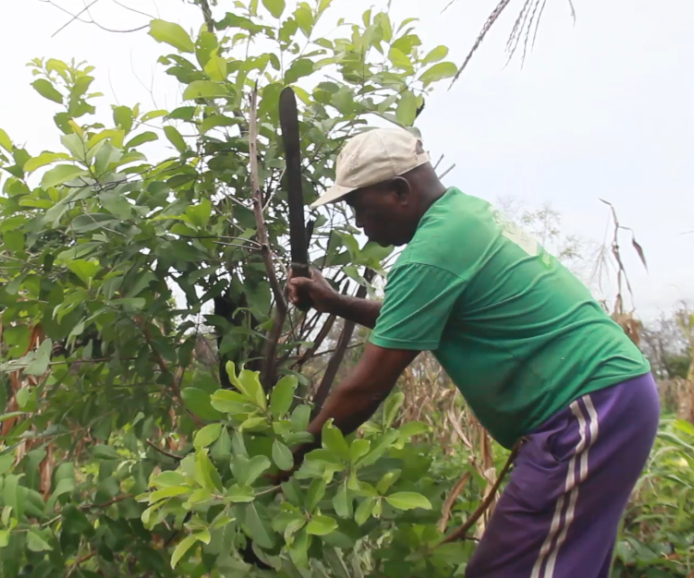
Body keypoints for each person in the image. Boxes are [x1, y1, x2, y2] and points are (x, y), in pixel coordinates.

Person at [283, 127, 660, 578]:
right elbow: (413, 315)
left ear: (399, 191)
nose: (360, 223)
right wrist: (336, 302)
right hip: (606, 402)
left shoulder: (432, 252)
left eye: (359, 207)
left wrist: (287, 462)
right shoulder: (464, 215)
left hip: (586, 412)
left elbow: (366, 388)